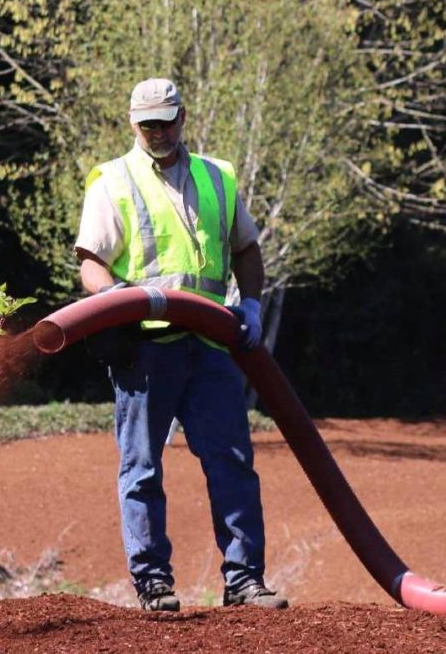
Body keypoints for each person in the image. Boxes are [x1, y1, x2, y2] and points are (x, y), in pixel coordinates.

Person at [74, 78, 288, 612]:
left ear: (182, 116)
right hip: (146, 351)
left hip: (212, 344)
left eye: (165, 122)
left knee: (231, 461)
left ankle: (244, 581)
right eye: (147, 124)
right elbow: (90, 263)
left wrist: (254, 305)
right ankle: (153, 583)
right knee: (141, 467)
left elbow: (246, 248)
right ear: (132, 123)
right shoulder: (112, 181)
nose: (157, 132)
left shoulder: (217, 177)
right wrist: (118, 299)